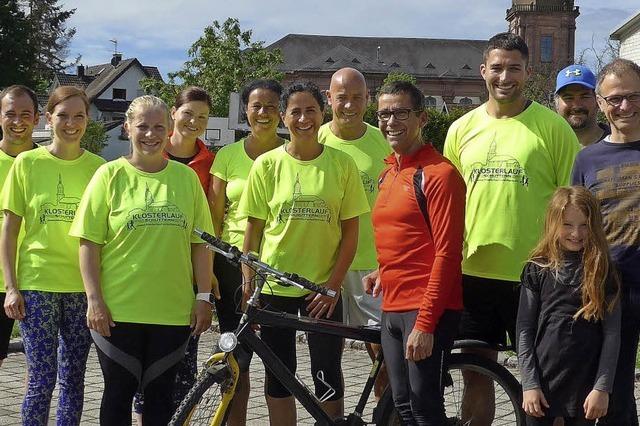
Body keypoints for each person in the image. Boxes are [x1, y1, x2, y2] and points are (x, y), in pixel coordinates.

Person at [443, 32, 581, 424]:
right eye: (497, 68)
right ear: (484, 70)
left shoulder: (553, 129)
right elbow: (448, 203)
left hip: (536, 274)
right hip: (473, 273)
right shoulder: (460, 129)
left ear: (528, 72)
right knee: (476, 374)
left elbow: (571, 203)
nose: (505, 77)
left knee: (543, 379)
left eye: (514, 68)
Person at [69, 95, 214, 425]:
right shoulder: (109, 176)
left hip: (173, 312)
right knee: (118, 393)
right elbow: (88, 243)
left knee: (161, 397)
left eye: (159, 127)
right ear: (127, 128)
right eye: (143, 126)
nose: (151, 134)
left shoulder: (186, 179)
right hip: (117, 313)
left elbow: (200, 244)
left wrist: (203, 297)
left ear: (169, 129)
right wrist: (94, 301)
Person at [238, 81, 369, 425]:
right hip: (275, 286)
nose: (303, 118)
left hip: (321, 291)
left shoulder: (342, 165)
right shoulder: (267, 165)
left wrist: (333, 285)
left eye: (310, 110)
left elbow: (351, 233)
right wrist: (248, 280)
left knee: (326, 373)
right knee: (279, 377)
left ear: (322, 113)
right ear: (284, 117)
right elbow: (253, 230)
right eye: (295, 111)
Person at [1, 86, 105, 425]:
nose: (70, 123)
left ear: (88, 121)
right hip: (38, 285)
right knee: (41, 380)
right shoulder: (28, 164)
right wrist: (12, 286)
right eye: (62, 116)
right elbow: (10, 229)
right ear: (48, 119)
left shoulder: (100, 169)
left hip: (81, 290)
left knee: (74, 380)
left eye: (78, 116)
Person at [364, 80, 466, 424]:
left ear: (421, 118)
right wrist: (383, 270)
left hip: (426, 307)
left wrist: (425, 322)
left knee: (425, 408)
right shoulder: (388, 173)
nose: (390, 121)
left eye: (400, 112)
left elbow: (448, 254)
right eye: (383, 114)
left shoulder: (440, 175)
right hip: (392, 305)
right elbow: (407, 235)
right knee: (403, 405)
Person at [133, 86, 217, 421]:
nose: (194, 121)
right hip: (147, 278)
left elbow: (212, 221)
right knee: (145, 378)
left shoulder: (212, 161)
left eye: (202, 117)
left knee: (184, 372)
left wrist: (205, 280)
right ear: (173, 113)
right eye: (188, 113)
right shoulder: (149, 153)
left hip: (190, 276)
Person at [209, 78, 284, 425]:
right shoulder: (227, 155)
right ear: (246, 111)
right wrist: (209, 268)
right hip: (232, 265)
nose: (264, 112)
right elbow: (214, 216)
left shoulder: (291, 153)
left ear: (281, 111)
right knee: (236, 358)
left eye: (271, 105)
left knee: (276, 359)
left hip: (277, 264)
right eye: (257, 106)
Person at [571, 58, 640, 426]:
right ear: (600, 103)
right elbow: (575, 226)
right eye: (615, 99)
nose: (625, 106)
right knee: (614, 392)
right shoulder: (587, 159)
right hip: (609, 287)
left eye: (632, 96)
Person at [319, 67, 391, 398]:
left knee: (384, 353)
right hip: (324, 266)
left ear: (368, 100)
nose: (349, 106)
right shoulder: (315, 140)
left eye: (357, 98)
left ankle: (384, 415)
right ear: (329, 98)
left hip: (370, 264)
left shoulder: (383, 143)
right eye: (342, 98)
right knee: (326, 355)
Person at [0, 85, 39, 368]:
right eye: (10, 114)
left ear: (38, 119)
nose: (17, 121)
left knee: (37, 368)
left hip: (37, 280)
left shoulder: (48, 163)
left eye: (25, 114)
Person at [555, 64, 610, 147]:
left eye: (585, 97)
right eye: (568, 98)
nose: (577, 106)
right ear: (556, 104)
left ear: (598, 101)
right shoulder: (546, 143)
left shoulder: (619, 143)